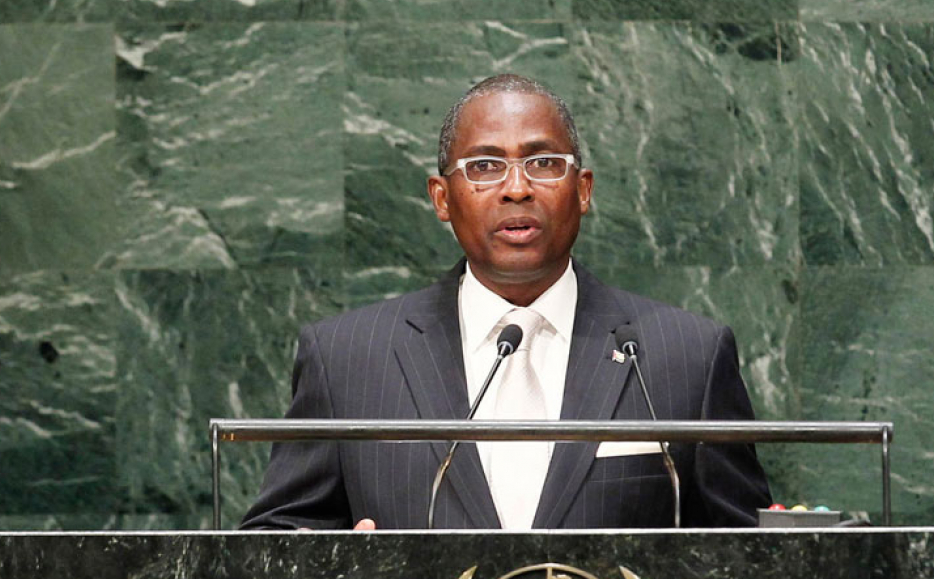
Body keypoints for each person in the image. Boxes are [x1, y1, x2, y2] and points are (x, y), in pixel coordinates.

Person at [241, 74, 771, 530]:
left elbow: (750, 562)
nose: (516, 188)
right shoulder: (347, 359)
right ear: (441, 199)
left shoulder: (687, 357)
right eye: (484, 166)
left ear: (583, 190)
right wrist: (341, 572)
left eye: (543, 162)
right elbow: (276, 541)